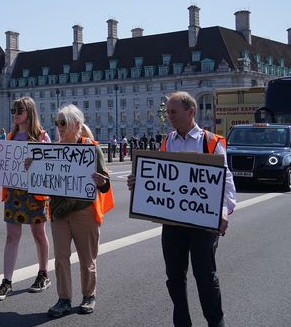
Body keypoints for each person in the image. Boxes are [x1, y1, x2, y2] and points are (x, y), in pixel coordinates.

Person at [127, 91, 235, 327]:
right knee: (175, 277)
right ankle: (182, 322)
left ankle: (216, 322)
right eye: (167, 112)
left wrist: (224, 212)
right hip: (173, 223)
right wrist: (138, 183)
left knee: (205, 277)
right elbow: (158, 179)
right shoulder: (168, 141)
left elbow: (226, 183)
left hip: (203, 224)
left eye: (173, 112)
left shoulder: (211, 142)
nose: (169, 117)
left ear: (191, 111)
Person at [47, 104, 114, 318]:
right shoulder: (51, 150)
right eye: (57, 123)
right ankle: (64, 298)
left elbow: (105, 183)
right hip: (58, 212)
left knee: (87, 258)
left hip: (84, 210)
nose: (59, 127)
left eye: (63, 123)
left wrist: (102, 181)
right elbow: (42, 180)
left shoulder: (91, 148)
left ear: (76, 125)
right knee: (60, 258)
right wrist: (32, 167)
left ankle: (88, 295)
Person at [0, 97, 52, 301]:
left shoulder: (42, 137)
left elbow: (51, 165)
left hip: (35, 192)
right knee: (12, 235)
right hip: (14, 191)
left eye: (20, 110)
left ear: (29, 112)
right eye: (13, 110)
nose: (15, 113)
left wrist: (35, 161)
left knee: (39, 233)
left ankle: (43, 273)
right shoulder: (11, 135)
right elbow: (2, 162)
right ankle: (6, 281)